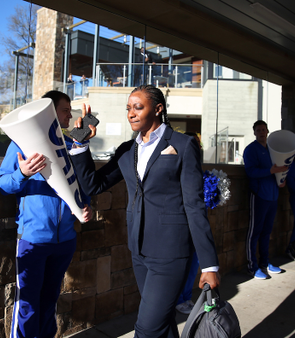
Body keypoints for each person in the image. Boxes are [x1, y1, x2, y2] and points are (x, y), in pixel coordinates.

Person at [69, 84, 220, 337]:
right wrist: (80, 142)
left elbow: (194, 205)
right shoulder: (128, 150)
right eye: (128, 108)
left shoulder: (183, 145)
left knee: (147, 329)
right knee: (162, 323)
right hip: (138, 251)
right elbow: (94, 185)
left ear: (158, 109)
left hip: (171, 253)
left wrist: (209, 265)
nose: (131, 113)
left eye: (138, 107)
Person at [0, 90, 91, 338]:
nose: (70, 115)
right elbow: (4, 182)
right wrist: (23, 173)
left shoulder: (72, 146)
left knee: (50, 299)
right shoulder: (20, 143)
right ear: (50, 111)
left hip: (65, 240)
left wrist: (86, 204)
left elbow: (79, 186)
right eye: (65, 110)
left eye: (71, 111)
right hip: (33, 238)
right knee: (27, 304)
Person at [243, 120, 288, 280]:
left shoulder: (272, 149)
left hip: (273, 195)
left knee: (267, 232)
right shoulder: (250, 149)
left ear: (267, 131)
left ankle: (264, 263)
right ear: (254, 132)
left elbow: (278, 168)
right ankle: (252, 267)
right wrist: (270, 170)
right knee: (255, 232)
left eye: (264, 129)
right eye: (258, 130)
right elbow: (251, 172)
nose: (262, 132)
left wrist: (281, 179)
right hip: (259, 195)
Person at [175, 132, 202, 315]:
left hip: (195, 222)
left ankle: (185, 297)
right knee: (182, 263)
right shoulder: (176, 166)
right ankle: (177, 299)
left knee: (195, 261)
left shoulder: (197, 166)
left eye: (198, 145)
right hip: (181, 222)